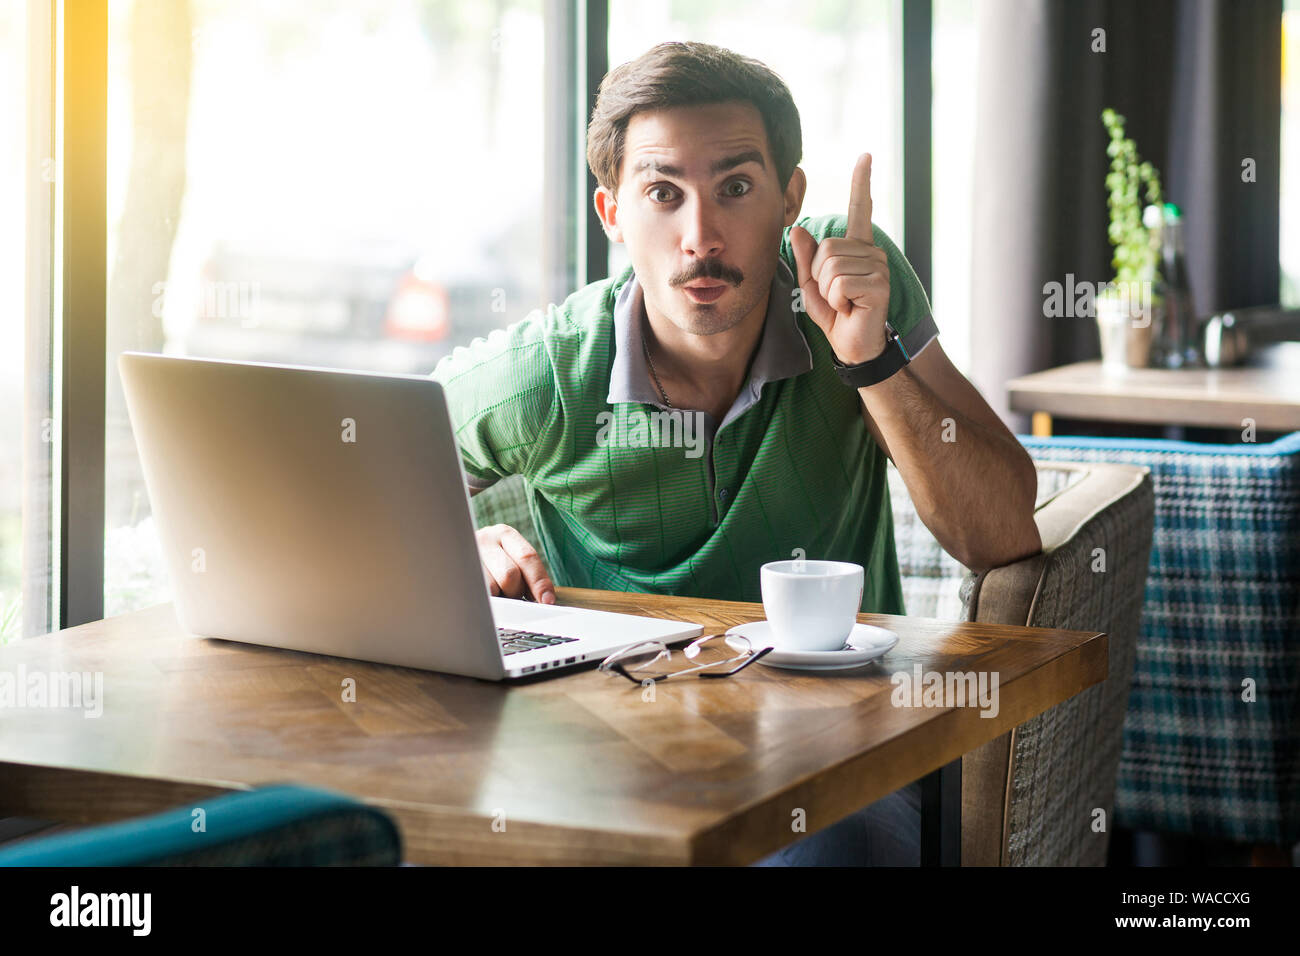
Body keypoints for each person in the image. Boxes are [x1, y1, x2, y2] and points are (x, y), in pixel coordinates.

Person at [432, 40, 1041, 865]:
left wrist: (868, 360)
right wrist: (451, 547)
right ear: (612, 214)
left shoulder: (850, 276)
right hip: (604, 757)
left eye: (736, 187)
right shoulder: (543, 374)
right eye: (662, 193)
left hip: (838, 759)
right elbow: (341, 483)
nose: (701, 235)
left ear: (789, 199)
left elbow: (1001, 534)